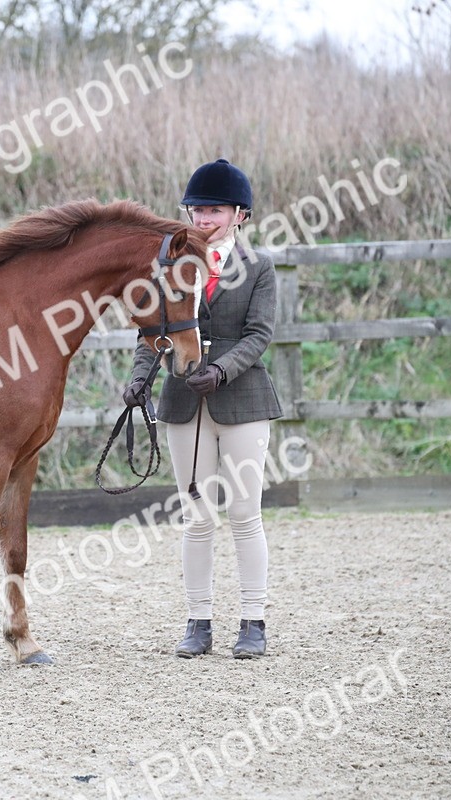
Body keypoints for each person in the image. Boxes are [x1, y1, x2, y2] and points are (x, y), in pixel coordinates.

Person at [123, 158, 283, 659]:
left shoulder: (259, 267)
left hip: (243, 400)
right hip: (183, 403)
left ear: (240, 214)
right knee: (196, 517)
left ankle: (252, 621)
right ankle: (199, 622)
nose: (203, 220)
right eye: (195, 210)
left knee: (243, 513)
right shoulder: (167, 266)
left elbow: (259, 333)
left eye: (213, 211)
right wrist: (138, 382)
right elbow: (153, 332)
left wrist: (223, 369)